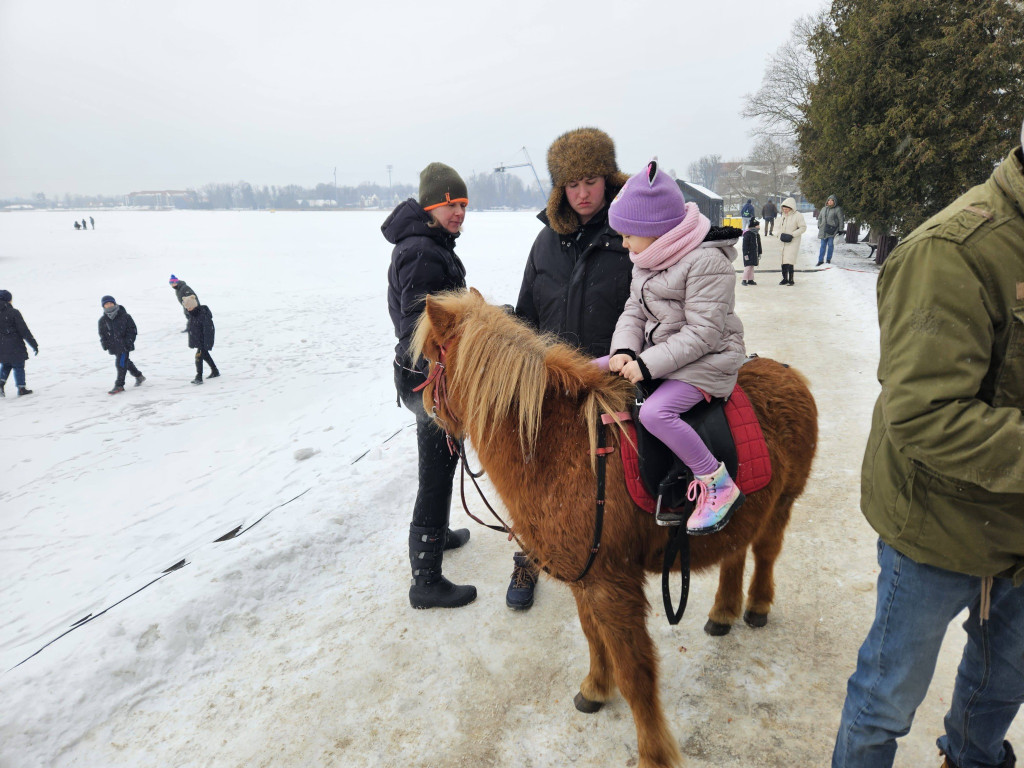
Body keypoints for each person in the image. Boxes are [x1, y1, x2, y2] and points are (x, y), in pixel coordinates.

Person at [832, 119, 1024, 768]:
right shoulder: (955, 250)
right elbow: (922, 415)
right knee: (886, 701)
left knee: (998, 693)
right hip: (937, 532)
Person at [512, 126, 633, 609]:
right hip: (550, 389)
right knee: (532, 479)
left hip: (610, 387)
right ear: (559, 188)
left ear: (608, 178)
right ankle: (529, 554)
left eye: (590, 180)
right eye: (571, 183)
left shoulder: (632, 234)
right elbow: (526, 316)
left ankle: (614, 555)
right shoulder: (544, 243)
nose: (582, 193)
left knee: (605, 489)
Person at [601, 159, 746, 532]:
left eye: (629, 233)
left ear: (657, 230)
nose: (624, 243)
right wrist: (624, 351)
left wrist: (646, 365)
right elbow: (634, 311)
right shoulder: (648, 259)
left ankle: (716, 481)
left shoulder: (707, 263)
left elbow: (703, 334)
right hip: (669, 354)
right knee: (592, 369)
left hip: (707, 361)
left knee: (654, 414)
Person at [384, 161, 476, 610]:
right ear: (430, 205)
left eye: (462, 204)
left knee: (444, 462)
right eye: (449, 204)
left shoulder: (432, 242)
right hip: (428, 379)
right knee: (436, 473)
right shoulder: (422, 249)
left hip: (431, 375)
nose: (458, 212)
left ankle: (437, 538)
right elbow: (419, 324)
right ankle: (425, 579)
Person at [98, 295, 145, 394]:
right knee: (125, 362)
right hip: (113, 346)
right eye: (106, 304)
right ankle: (138, 376)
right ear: (103, 306)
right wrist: (104, 343)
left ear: (114, 303)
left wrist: (128, 341)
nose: (109, 305)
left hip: (124, 345)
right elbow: (102, 334)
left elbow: (132, 330)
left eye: (111, 303)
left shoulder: (125, 316)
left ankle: (119, 385)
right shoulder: (103, 320)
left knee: (120, 363)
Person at [0, 289, 38, 397]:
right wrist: (33, 344)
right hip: (15, 346)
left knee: (6, 364)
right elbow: (24, 330)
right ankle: (21, 388)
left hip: (1, 347)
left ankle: (0, 384)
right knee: (18, 366)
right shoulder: (13, 312)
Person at [183, 294, 219, 384]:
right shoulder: (193, 314)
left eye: (189, 307)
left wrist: (207, 343)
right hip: (199, 340)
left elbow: (209, 330)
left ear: (194, 306)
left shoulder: (203, 315)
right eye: (187, 308)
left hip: (203, 341)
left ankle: (199, 377)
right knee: (205, 355)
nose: (188, 309)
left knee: (198, 357)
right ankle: (215, 371)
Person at [777, 197, 807, 285]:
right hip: (783, 240)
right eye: (783, 209)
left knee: (790, 260)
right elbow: (780, 227)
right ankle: (784, 278)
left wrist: (793, 235)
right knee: (783, 260)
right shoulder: (783, 216)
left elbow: (803, 227)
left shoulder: (798, 215)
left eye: (786, 209)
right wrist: (779, 235)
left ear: (791, 208)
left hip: (793, 241)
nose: (785, 210)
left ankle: (791, 279)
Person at [816, 194, 845, 265]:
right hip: (823, 230)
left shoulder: (837, 209)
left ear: (834, 201)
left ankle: (828, 260)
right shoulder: (823, 209)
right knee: (822, 245)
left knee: (830, 245)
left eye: (832, 200)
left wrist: (840, 229)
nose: (830, 201)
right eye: (829, 200)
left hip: (832, 230)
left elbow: (841, 219)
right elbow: (819, 218)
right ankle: (820, 260)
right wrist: (819, 225)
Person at [741, 218, 762, 286]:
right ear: (753, 226)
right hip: (748, 253)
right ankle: (744, 279)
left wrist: (759, 252)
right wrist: (745, 254)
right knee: (748, 266)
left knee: (752, 266)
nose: (759, 227)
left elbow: (759, 244)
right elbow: (745, 246)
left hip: (754, 253)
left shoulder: (756, 234)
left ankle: (750, 279)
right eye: (757, 226)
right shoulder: (748, 234)